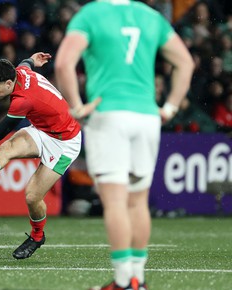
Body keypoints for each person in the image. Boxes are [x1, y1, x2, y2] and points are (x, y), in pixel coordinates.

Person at [54, 1, 194, 290]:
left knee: (115, 201)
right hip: (146, 116)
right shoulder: (150, 17)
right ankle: (138, 279)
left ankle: (122, 282)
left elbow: (63, 63)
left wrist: (77, 106)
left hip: (110, 116)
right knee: (137, 201)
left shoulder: (91, 14)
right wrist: (169, 107)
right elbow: (185, 62)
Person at [0, 52, 85, 259]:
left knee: (32, 196)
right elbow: (26, 63)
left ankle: (37, 236)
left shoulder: (23, 100)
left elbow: (0, 131)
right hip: (44, 130)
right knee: (9, 148)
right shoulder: (20, 72)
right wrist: (34, 59)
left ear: (8, 83)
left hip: (65, 142)